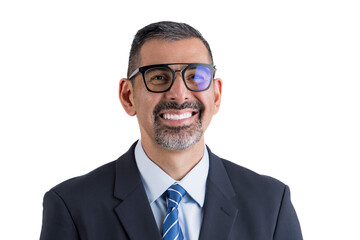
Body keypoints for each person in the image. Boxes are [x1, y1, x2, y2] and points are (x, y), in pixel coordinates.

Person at [40, 21, 303, 240]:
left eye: (195, 77)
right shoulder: (71, 206)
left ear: (217, 95)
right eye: (158, 77)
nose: (179, 94)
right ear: (128, 96)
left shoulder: (271, 204)